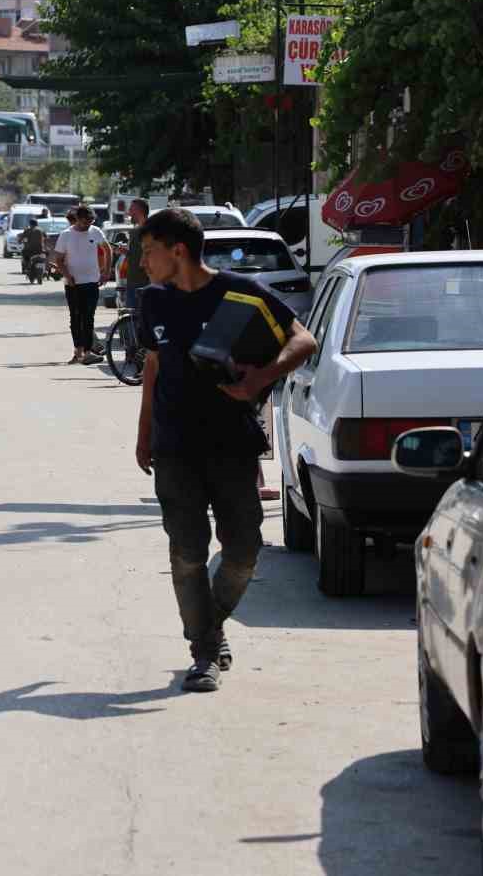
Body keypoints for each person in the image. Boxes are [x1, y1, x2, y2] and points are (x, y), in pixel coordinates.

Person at [133, 208, 318, 693]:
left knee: (242, 553)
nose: (142, 262)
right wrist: (143, 431)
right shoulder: (151, 301)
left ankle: (209, 626)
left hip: (232, 445)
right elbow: (153, 367)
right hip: (175, 447)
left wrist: (262, 376)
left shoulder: (242, 293)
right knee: (187, 554)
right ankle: (205, 652)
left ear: (178, 251)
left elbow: (304, 339)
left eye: (149, 251)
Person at [53, 204, 108, 364]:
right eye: (85, 222)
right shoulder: (66, 235)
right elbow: (58, 259)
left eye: (90, 222)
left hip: (92, 282)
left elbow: (107, 249)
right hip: (73, 284)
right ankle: (78, 351)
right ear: (77, 219)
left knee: (88, 317)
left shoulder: (96, 231)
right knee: (76, 317)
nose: (87, 225)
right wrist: (67, 275)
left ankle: (88, 351)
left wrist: (105, 271)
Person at [122, 198, 150, 313]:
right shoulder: (136, 231)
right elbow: (135, 255)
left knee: (135, 320)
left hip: (144, 283)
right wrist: (126, 252)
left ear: (138, 210)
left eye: (131, 209)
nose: (128, 213)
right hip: (133, 281)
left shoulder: (149, 230)